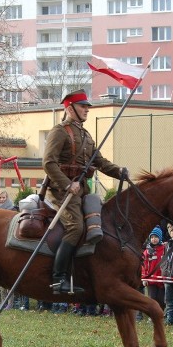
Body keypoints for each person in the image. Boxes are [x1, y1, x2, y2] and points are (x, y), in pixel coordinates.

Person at [42, 90, 126, 294]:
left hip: (82, 190)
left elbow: (98, 161)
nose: (87, 109)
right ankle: (57, 279)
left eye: (87, 106)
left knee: (100, 224)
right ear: (70, 108)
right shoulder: (59, 131)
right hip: (62, 191)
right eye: (83, 106)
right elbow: (48, 163)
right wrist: (67, 184)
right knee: (76, 227)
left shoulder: (86, 135)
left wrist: (119, 172)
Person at [140, 226, 166, 317]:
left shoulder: (165, 249)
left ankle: (160, 315)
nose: (154, 239)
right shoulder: (147, 252)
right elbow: (144, 266)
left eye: (156, 237)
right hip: (151, 281)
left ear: (160, 238)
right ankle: (152, 316)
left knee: (161, 299)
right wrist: (144, 278)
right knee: (152, 299)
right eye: (152, 237)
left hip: (162, 280)